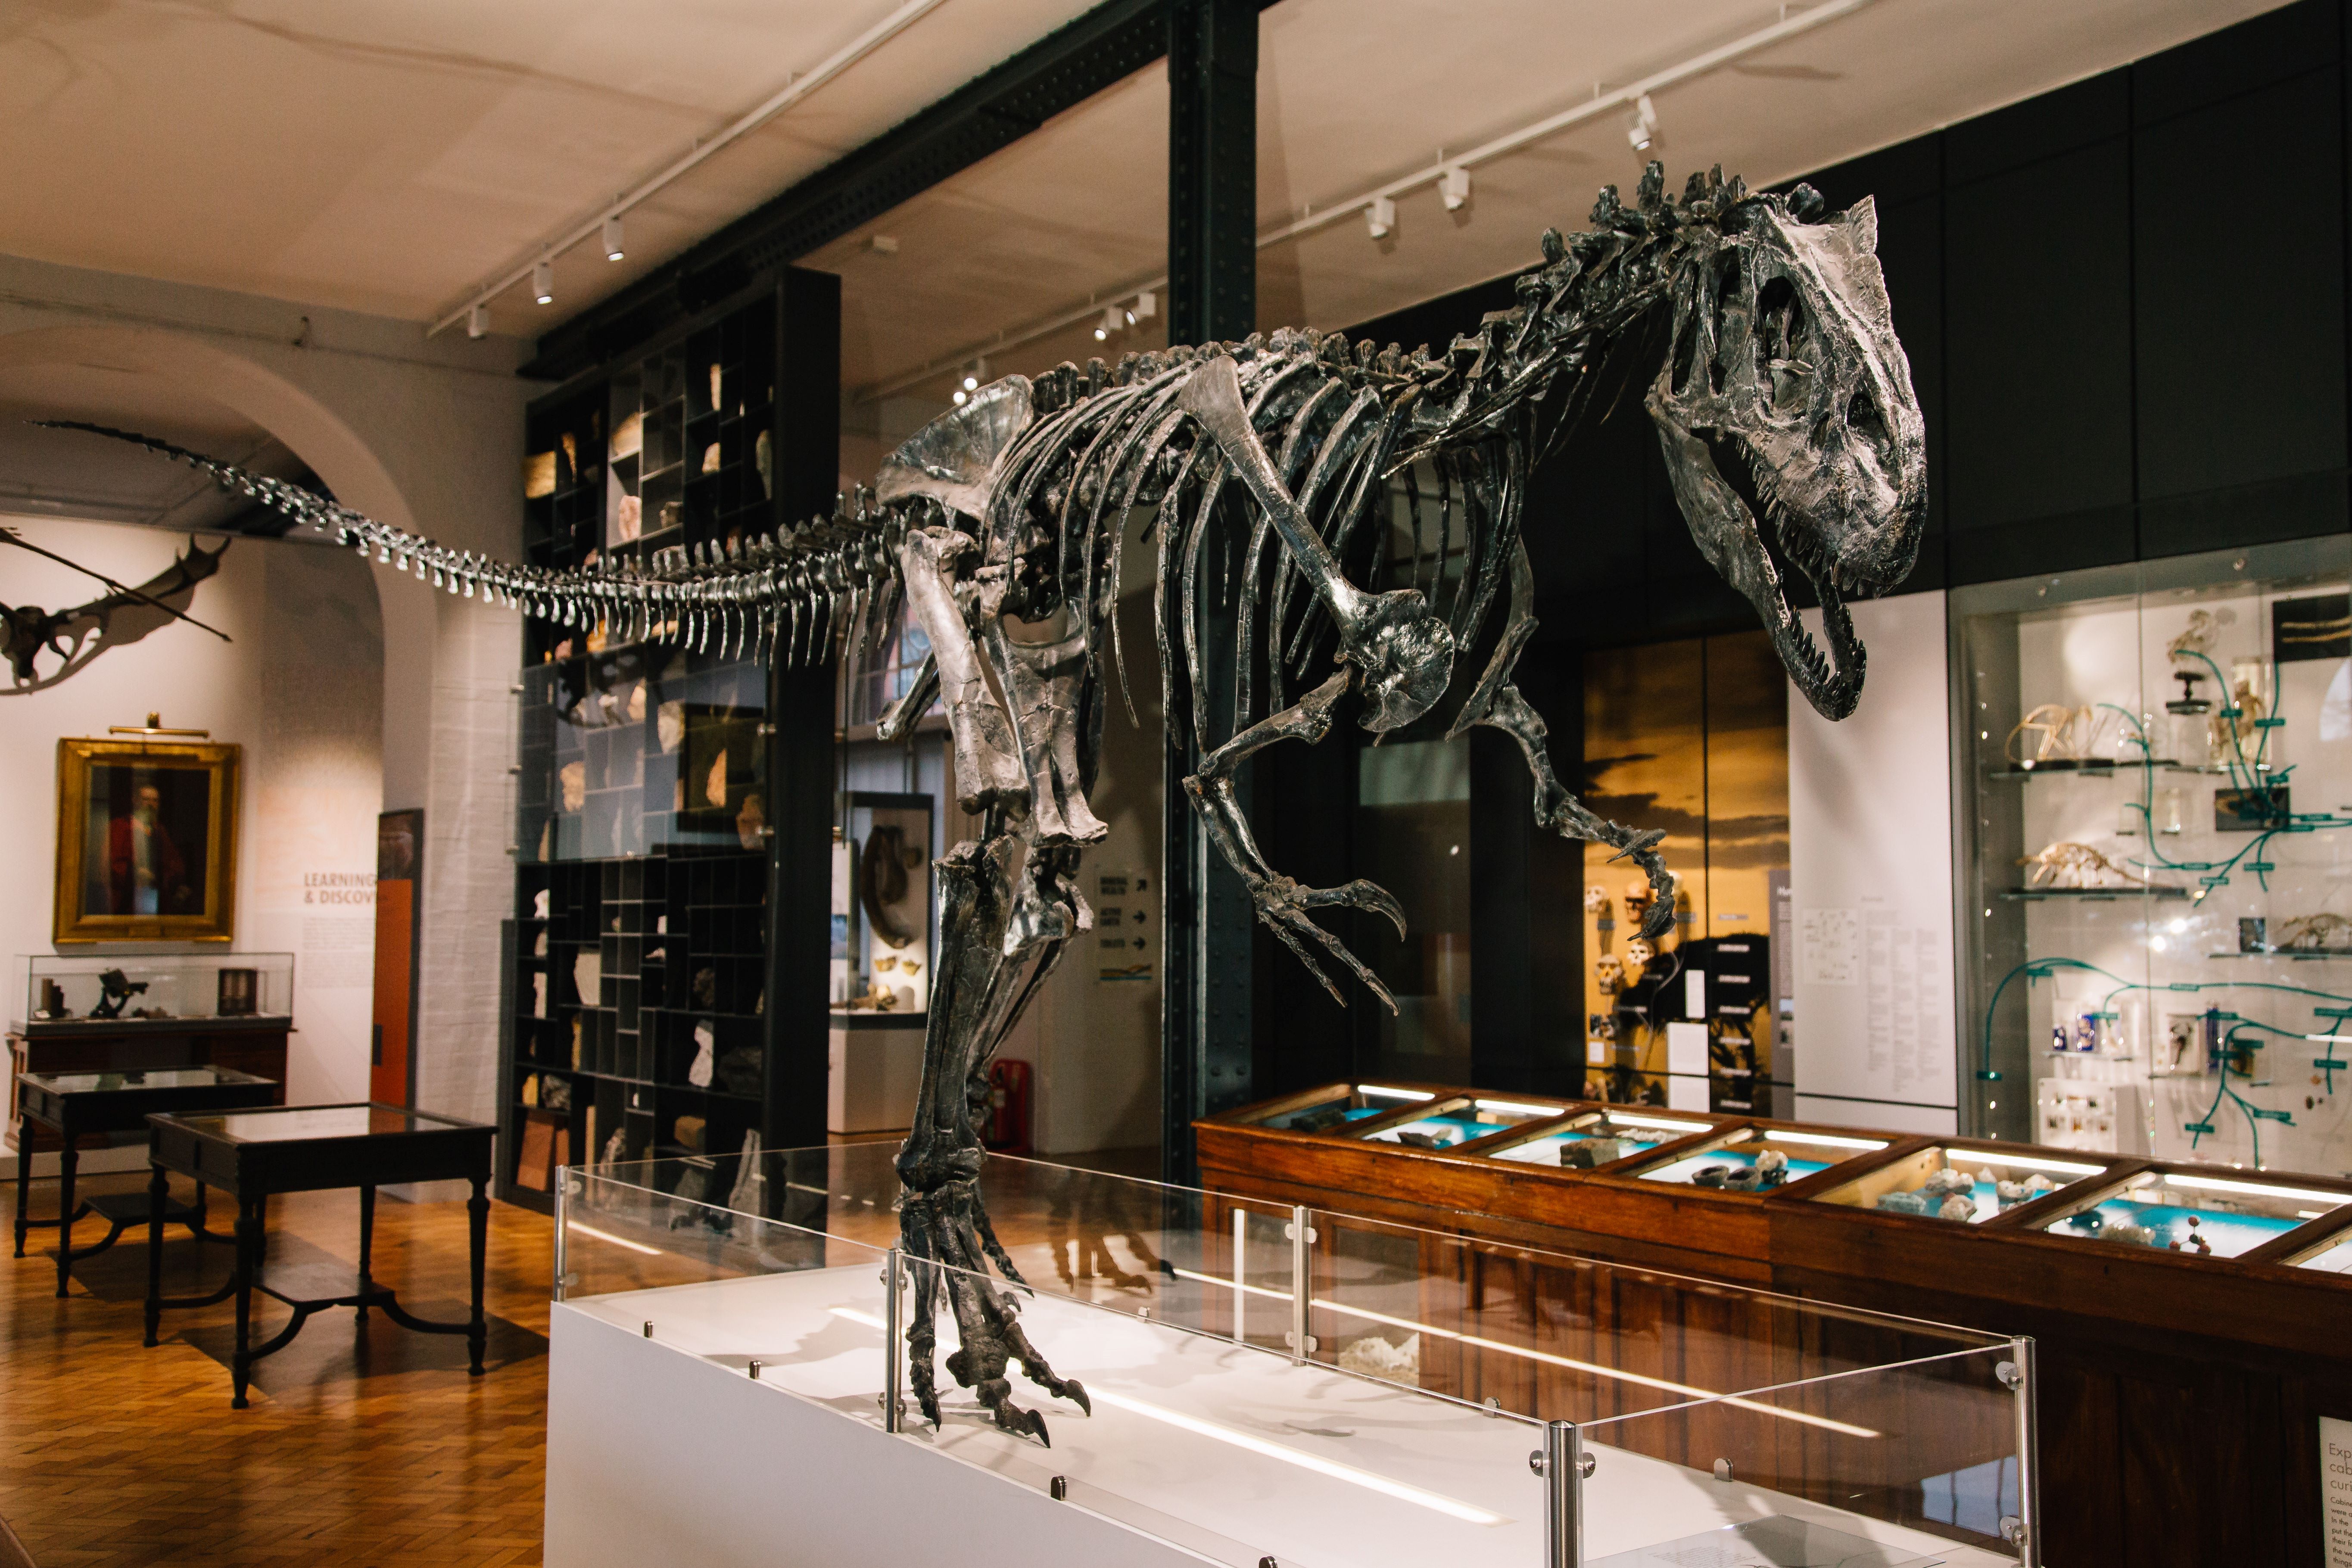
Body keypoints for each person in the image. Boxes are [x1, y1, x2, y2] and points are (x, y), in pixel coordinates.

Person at [105, 781, 188, 915]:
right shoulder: (120, 827)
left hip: (156, 898)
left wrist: (174, 882)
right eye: (146, 799)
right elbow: (111, 865)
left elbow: (174, 863)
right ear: (135, 800)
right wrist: (136, 873)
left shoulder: (160, 831)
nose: (151, 804)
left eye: (155, 801)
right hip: (128, 900)